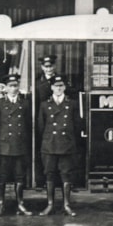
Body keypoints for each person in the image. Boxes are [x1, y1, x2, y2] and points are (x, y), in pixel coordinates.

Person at [37, 75, 83, 216]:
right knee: (49, 175)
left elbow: (77, 125)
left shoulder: (72, 104)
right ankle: (50, 205)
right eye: (56, 86)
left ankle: (67, 205)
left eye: (61, 86)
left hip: (66, 145)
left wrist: (69, 140)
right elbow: (40, 126)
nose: (58, 88)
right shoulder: (45, 105)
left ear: (64, 87)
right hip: (50, 145)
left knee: (66, 175)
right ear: (51, 88)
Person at [0, 74, 33, 217]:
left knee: (20, 176)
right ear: (6, 88)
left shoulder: (24, 104)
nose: (13, 89)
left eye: (15, 86)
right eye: (10, 86)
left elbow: (28, 125)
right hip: (4, 146)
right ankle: (1, 204)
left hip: (19, 146)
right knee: (1, 176)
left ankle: (20, 204)